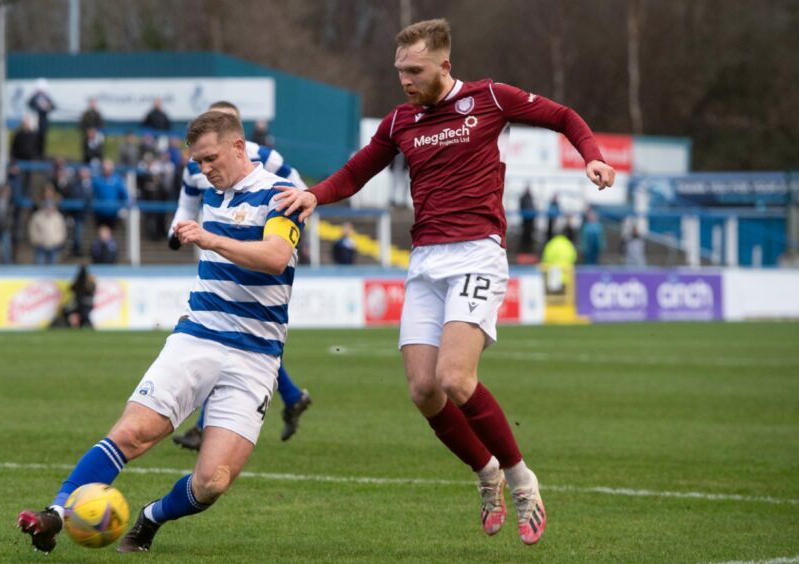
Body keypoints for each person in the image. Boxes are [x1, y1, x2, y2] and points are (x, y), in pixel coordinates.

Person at [275, 18, 615, 546]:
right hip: (426, 261)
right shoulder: (399, 121)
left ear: (444, 65)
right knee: (423, 390)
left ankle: (522, 480)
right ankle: (487, 474)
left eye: (415, 70)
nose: (405, 80)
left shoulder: (490, 98)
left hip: (478, 253)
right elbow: (357, 171)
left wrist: (592, 155)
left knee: (456, 378)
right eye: (399, 71)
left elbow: (563, 116)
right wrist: (316, 195)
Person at [18, 110, 307, 554]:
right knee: (133, 432)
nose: (204, 170)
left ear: (238, 147)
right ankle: (56, 513)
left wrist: (211, 240)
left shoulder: (280, 194)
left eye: (210, 159)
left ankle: (151, 518)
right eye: (197, 163)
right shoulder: (212, 191)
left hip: (257, 355)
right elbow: (185, 213)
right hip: (198, 336)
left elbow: (273, 256)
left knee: (212, 482)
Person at [168, 100, 312, 450]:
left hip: (256, 246)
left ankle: (208, 426)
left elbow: (299, 192)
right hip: (214, 251)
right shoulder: (196, 166)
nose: (206, 163)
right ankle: (290, 397)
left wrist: (286, 233)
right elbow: (188, 203)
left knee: (244, 334)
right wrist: (177, 230)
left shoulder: (268, 158)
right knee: (231, 332)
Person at [28, 189, 67, 265]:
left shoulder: (58, 217)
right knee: (39, 267)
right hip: (40, 246)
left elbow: (62, 231)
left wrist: (57, 241)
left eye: (50, 206)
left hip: (54, 246)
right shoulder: (37, 216)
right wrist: (37, 241)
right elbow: (32, 230)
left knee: (52, 269)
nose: (49, 208)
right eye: (47, 206)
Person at [27, 79, 55, 158]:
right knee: (34, 137)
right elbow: (29, 104)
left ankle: (42, 154)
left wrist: (47, 107)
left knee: (43, 138)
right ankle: (34, 153)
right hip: (35, 120)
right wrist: (38, 107)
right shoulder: (34, 98)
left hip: (43, 121)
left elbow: (53, 107)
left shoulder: (47, 98)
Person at [519, 186, 536, 255]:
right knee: (524, 236)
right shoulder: (523, 198)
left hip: (530, 220)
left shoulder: (531, 197)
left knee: (530, 236)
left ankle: (529, 252)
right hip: (525, 220)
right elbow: (521, 207)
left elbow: (532, 207)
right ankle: (523, 251)